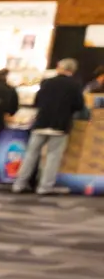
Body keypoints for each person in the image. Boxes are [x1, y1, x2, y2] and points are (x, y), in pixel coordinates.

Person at [12, 58, 87, 195]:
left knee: (31, 154)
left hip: (41, 122)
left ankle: (19, 184)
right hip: (60, 126)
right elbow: (79, 106)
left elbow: (37, 101)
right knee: (53, 156)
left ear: (59, 67)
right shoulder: (75, 85)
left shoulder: (47, 82)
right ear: (73, 70)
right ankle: (44, 187)